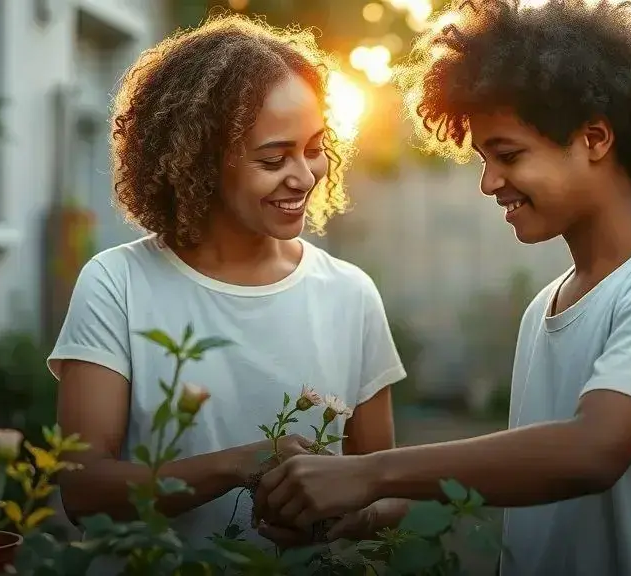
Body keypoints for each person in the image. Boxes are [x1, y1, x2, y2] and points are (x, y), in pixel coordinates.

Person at [254, 1, 631, 575]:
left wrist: (368, 471)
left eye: (509, 155)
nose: (490, 183)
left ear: (594, 137)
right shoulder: (548, 306)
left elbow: (591, 453)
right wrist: (371, 509)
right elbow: (531, 484)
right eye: (484, 160)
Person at [48, 14, 405, 550]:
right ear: (199, 161)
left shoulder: (350, 294)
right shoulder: (116, 283)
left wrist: (350, 520)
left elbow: (387, 487)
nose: (305, 176)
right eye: (273, 157)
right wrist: (245, 462)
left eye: (314, 147)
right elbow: (82, 490)